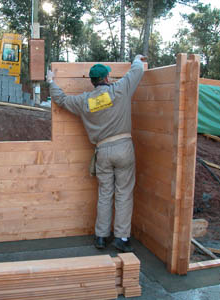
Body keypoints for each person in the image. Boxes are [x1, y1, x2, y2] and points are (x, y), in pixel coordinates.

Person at [47, 55, 146, 252]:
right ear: (107, 78)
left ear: (93, 82)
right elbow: (138, 71)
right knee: (124, 193)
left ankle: (101, 236)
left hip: (102, 151)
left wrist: (51, 81)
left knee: (105, 193)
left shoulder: (84, 101)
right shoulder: (120, 89)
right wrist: (136, 59)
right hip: (123, 147)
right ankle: (122, 238)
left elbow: (61, 99)